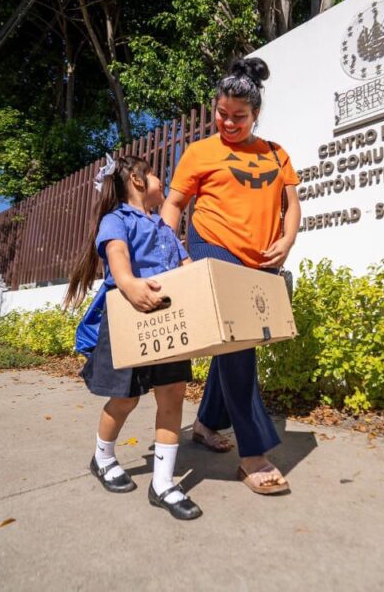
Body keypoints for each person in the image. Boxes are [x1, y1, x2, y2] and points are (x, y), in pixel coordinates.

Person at [161, 57, 301, 495]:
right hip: (212, 244)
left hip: (261, 257)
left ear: (255, 114)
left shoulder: (276, 154)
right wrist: (166, 252)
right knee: (239, 342)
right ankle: (254, 452)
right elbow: (174, 206)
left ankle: (205, 423)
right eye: (222, 113)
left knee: (232, 341)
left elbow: (292, 204)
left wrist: (288, 239)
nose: (228, 122)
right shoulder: (200, 152)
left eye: (239, 116)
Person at [65, 154, 202, 520]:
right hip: (128, 317)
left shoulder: (166, 229)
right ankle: (103, 456)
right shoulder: (116, 220)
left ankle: (163, 484)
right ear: (139, 180)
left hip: (168, 323)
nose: (164, 182)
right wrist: (128, 283)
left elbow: (186, 268)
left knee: (173, 394)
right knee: (125, 399)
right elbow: (117, 256)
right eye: (158, 175)